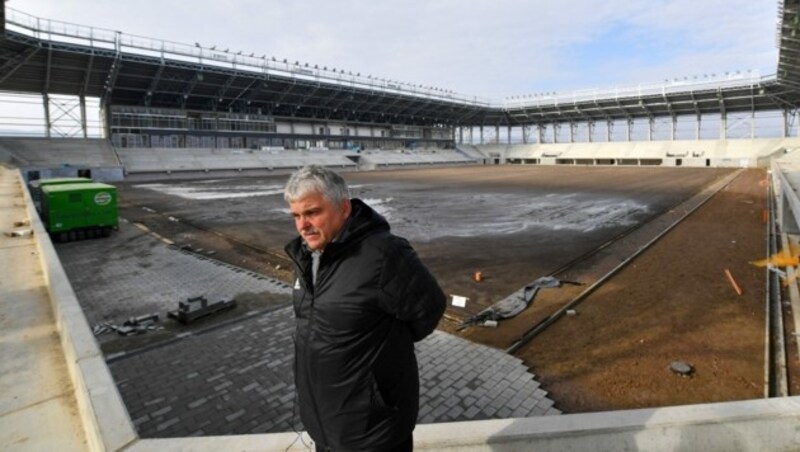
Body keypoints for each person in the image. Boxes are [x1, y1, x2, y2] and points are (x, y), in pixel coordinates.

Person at [283, 165, 446, 452]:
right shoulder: (307, 256)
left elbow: (428, 312)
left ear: (344, 208)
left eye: (312, 213)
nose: (302, 225)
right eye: (296, 215)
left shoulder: (384, 254)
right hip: (325, 428)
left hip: (373, 432)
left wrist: (381, 355)